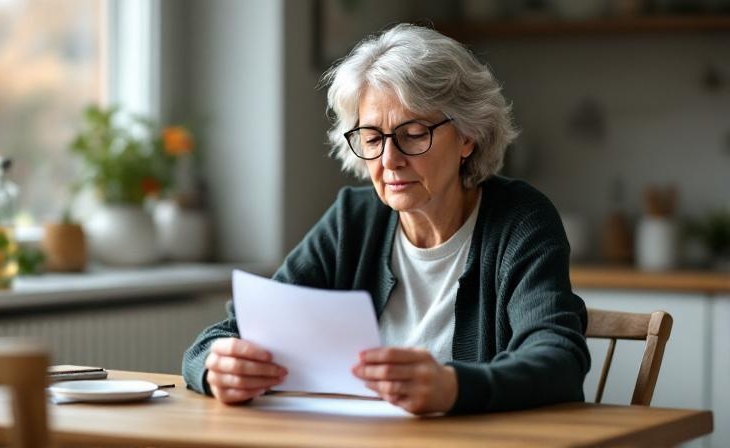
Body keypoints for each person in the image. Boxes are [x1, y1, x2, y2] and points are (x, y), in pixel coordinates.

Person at [182, 23, 590, 415]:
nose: (390, 161)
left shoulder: (520, 220)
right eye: (373, 139)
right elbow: (224, 336)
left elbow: (559, 361)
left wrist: (453, 387)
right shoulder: (353, 220)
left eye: (413, 134)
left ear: (468, 136)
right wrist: (215, 369)